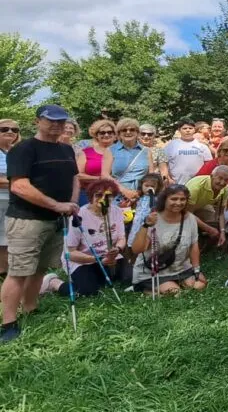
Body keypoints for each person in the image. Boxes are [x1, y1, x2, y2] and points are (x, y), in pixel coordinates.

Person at [1, 105, 78, 343]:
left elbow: (74, 177)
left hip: (55, 220)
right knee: (18, 272)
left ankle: (31, 308)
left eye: (60, 121)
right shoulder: (24, 149)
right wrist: (56, 205)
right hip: (27, 220)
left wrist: (72, 204)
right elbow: (19, 186)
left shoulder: (66, 149)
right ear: (37, 121)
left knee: (40, 269)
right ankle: (8, 322)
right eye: (50, 121)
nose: (56, 125)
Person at [40, 179, 131, 296]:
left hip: (108, 257)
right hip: (83, 260)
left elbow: (121, 238)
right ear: (90, 196)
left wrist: (117, 250)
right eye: (98, 195)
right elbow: (71, 253)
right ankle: (54, 283)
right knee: (88, 291)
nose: (103, 199)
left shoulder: (117, 211)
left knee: (130, 279)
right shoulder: (79, 216)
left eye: (108, 196)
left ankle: (99, 277)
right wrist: (97, 259)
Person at [131, 184, 207, 294]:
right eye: (174, 199)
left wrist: (196, 269)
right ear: (164, 200)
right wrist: (146, 225)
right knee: (175, 292)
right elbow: (137, 250)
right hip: (154, 271)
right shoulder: (153, 218)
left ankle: (171, 285)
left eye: (182, 199)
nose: (178, 203)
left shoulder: (190, 218)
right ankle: (147, 289)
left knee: (199, 285)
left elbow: (193, 245)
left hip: (180, 268)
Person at [101, 118, 155, 201]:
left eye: (132, 130)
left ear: (137, 133)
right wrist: (124, 191)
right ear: (119, 133)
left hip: (142, 196)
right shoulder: (111, 150)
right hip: (118, 196)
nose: (128, 132)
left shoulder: (146, 151)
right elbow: (105, 175)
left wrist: (139, 192)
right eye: (124, 130)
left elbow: (151, 176)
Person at [185, 166, 228, 250]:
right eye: (220, 178)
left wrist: (223, 232)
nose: (222, 182)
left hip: (201, 205)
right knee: (189, 224)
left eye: (226, 180)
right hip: (184, 210)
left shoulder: (226, 188)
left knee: (213, 218)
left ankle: (206, 242)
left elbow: (220, 213)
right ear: (211, 176)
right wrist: (209, 229)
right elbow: (188, 214)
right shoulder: (195, 187)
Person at [77, 119, 117, 204]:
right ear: (96, 135)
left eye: (110, 132)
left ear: (114, 135)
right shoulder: (86, 152)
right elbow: (78, 175)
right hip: (89, 195)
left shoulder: (121, 152)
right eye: (102, 133)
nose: (106, 135)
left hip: (116, 195)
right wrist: (100, 179)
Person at [0, 119, 21, 277]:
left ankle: (8, 271)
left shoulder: (17, 151)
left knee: (10, 237)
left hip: (17, 200)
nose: (10, 132)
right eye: (4, 129)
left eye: (14, 130)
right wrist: (18, 182)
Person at [164, 119, 213, 185]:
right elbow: (164, 164)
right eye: (184, 128)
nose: (188, 130)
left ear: (194, 130)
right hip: (176, 184)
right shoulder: (171, 145)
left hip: (197, 184)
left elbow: (208, 165)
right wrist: (169, 179)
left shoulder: (202, 146)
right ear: (179, 130)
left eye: (190, 128)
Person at [127, 173, 165, 246]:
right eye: (146, 186)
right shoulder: (139, 197)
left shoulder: (157, 199)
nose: (149, 188)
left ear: (157, 187)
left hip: (149, 225)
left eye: (152, 186)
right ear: (142, 185)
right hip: (137, 224)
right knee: (135, 240)